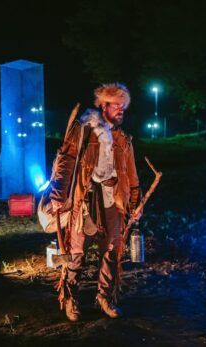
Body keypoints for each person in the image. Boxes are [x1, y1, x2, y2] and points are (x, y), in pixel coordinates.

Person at [50, 83, 140, 322]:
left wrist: (134, 203)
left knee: (111, 252)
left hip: (114, 202)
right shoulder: (84, 130)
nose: (121, 109)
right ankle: (70, 298)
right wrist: (59, 194)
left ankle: (104, 298)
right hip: (86, 202)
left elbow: (131, 174)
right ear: (104, 105)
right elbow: (66, 159)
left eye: (123, 105)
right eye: (116, 105)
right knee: (76, 253)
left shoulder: (122, 138)